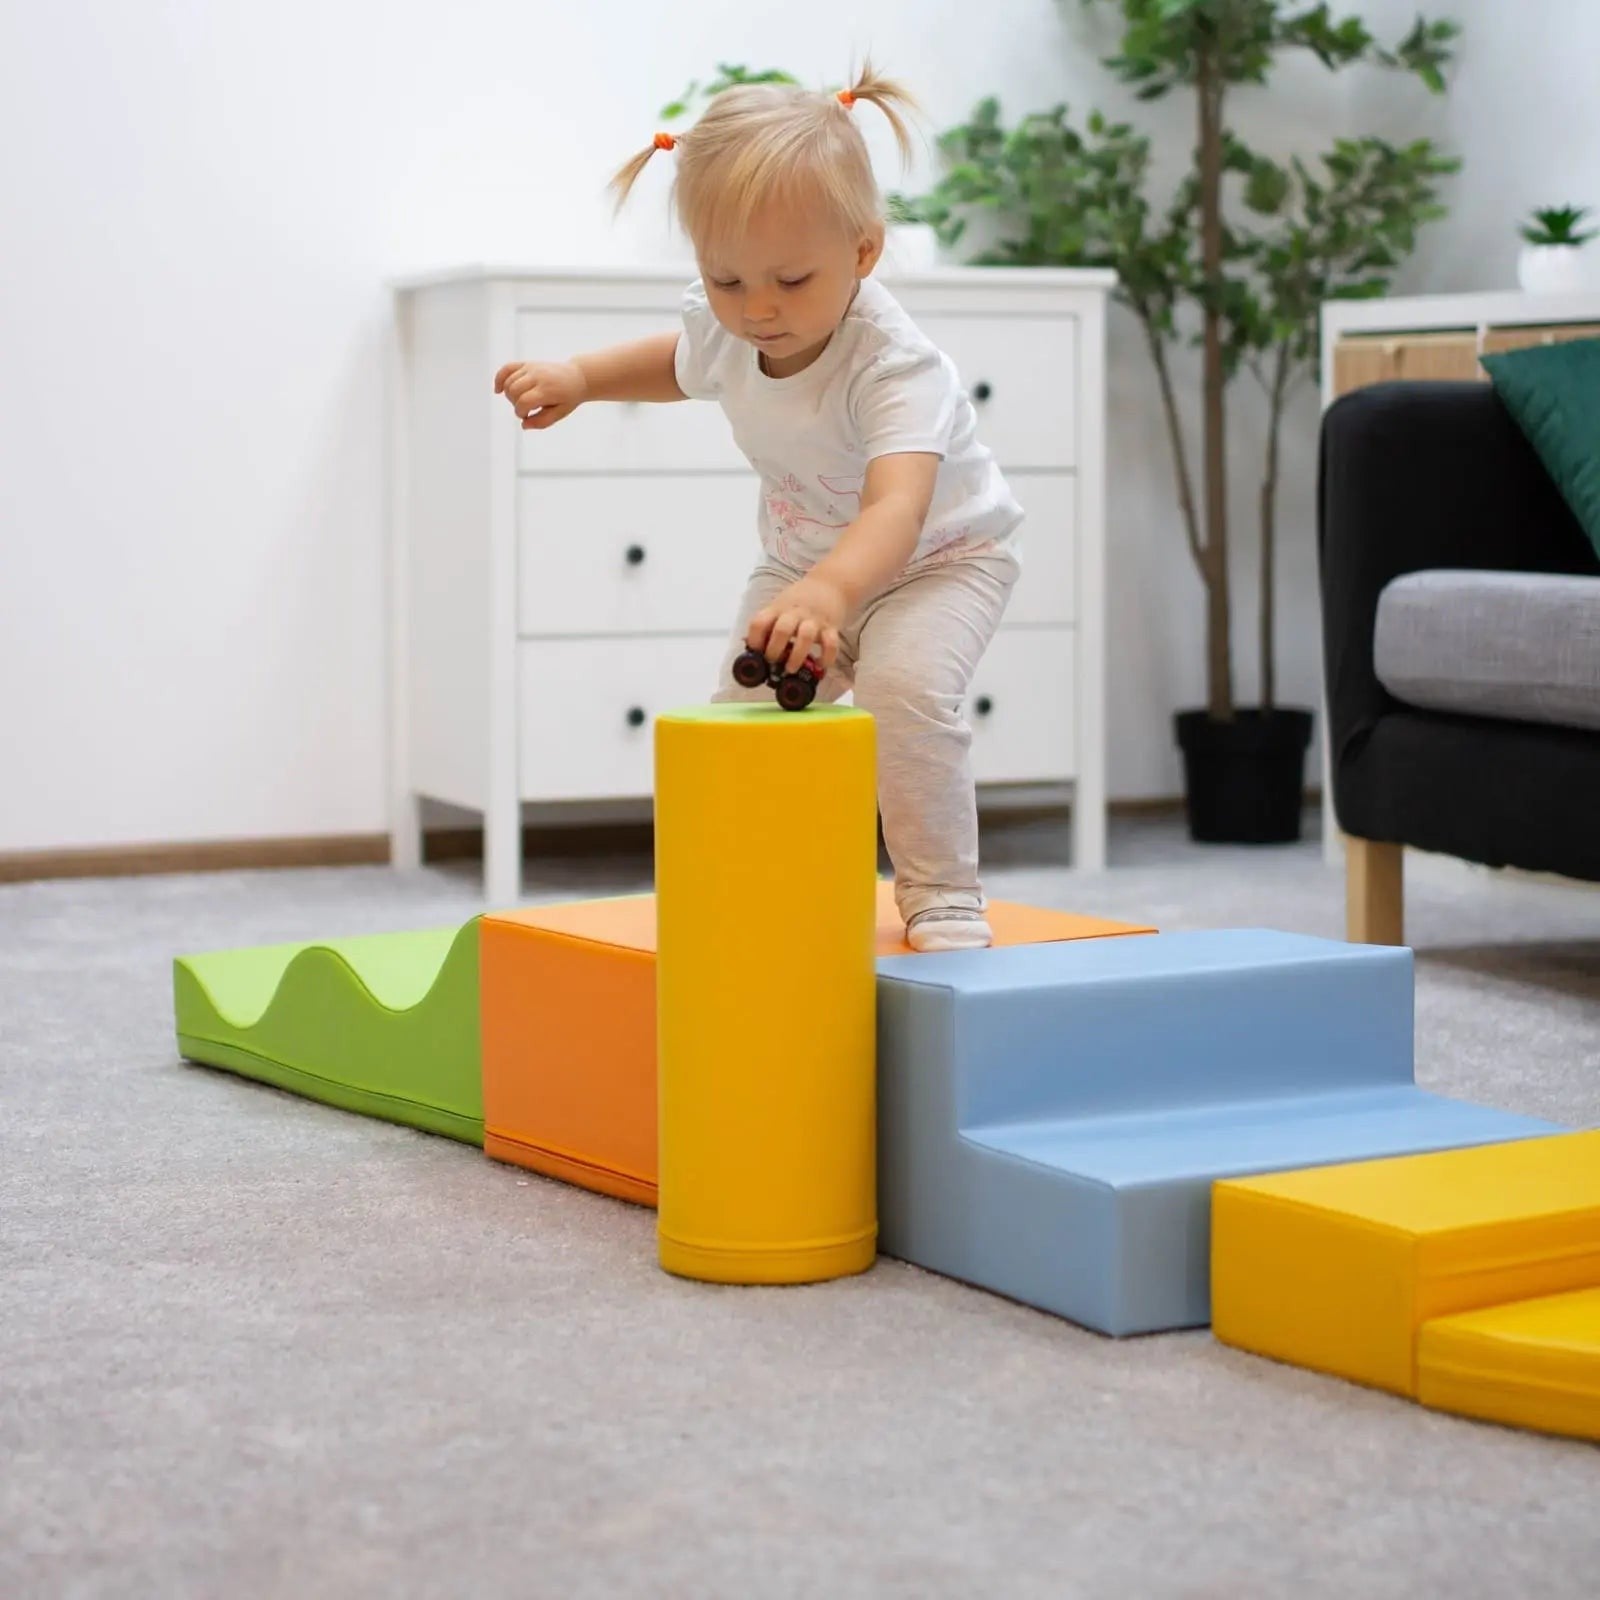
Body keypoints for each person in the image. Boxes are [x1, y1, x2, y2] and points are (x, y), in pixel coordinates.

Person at [492, 62, 1023, 951]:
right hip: (800, 564)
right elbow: (684, 361)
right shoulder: (734, 327)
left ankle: (941, 895)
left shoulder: (893, 366)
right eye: (727, 281)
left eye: (789, 280)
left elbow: (898, 507)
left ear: (863, 251)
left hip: (940, 562)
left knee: (900, 689)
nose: (758, 310)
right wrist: (582, 378)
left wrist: (831, 592)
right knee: (742, 716)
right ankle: (762, 893)